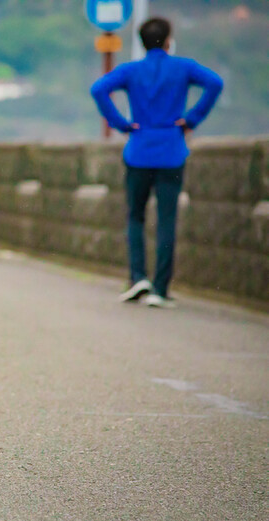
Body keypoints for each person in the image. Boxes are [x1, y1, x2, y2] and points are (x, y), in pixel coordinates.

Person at [91, 17, 223, 308]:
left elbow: (99, 89)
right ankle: (160, 289)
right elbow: (215, 83)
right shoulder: (182, 67)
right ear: (168, 40)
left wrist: (122, 124)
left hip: (138, 150)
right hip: (171, 150)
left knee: (135, 216)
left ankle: (138, 276)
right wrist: (192, 119)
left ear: (141, 42)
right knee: (166, 219)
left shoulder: (131, 70)